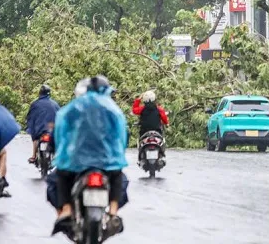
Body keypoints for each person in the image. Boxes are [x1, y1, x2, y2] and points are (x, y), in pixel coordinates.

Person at [52, 76, 128, 237]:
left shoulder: (74, 108)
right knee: (118, 176)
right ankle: (113, 213)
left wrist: (61, 152)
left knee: (60, 175)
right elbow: (122, 136)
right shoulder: (112, 109)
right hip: (106, 161)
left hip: (76, 162)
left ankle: (66, 210)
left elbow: (61, 131)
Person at [26, 84, 60, 164]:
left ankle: (34, 156)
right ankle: (55, 156)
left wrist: (29, 126)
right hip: (52, 130)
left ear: (40, 93)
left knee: (35, 138)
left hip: (39, 130)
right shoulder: (55, 104)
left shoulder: (35, 104)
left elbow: (30, 117)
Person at [132, 90, 169, 161]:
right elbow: (164, 117)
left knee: (140, 140)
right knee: (162, 139)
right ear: (154, 99)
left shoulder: (142, 109)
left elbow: (134, 110)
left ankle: (141, 155)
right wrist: (167, 123)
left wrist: (138, 99)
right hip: (156, 131)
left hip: (144, 131)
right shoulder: (159, 109)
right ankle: (161, 153)